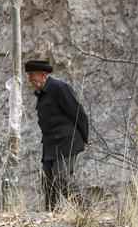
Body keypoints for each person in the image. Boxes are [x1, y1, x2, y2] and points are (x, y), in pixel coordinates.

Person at [24, 59, 89, 211]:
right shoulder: (42, 93)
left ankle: (85, 211)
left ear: (43, 74)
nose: (30, 79)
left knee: (61, 177)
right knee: (48, 180)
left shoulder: (59, 88)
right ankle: (50, 214)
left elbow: (79, 113)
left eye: (32, 75)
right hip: (50, 144)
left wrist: (85, 138)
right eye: (28, 75)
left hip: (67, 141)